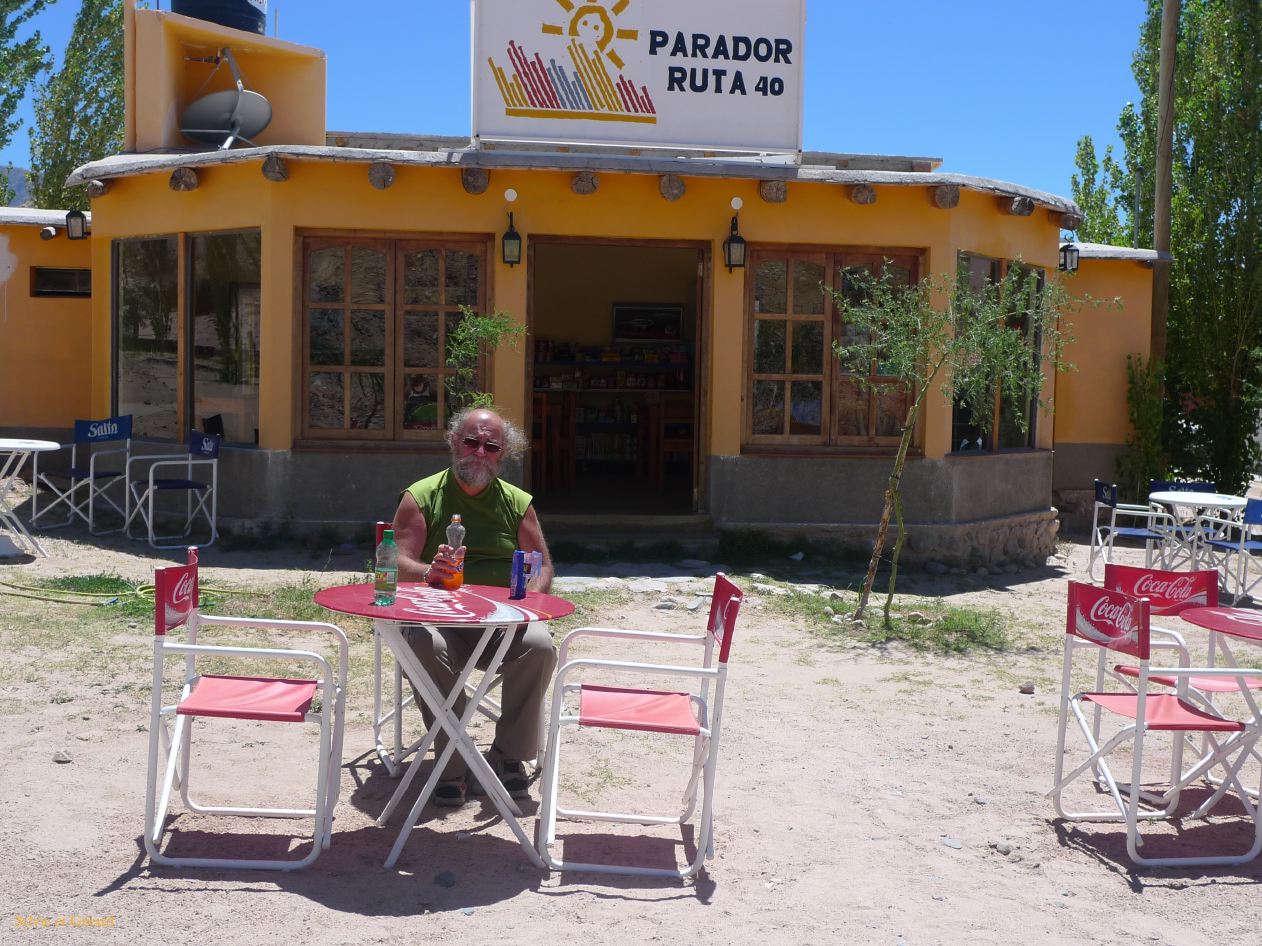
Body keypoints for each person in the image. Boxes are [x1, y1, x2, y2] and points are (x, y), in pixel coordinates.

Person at [391, 406, 555, 807]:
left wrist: (529, 601)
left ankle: (508, 756)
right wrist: (430, 571)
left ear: (503, 454)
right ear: (452, 442)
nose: (480, 452)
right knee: (421, 645)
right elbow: (394, 561)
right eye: (471, 441)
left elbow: (543, 565)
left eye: (491, 446)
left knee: (540, 647)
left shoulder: (517, 503)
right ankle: (453, 760)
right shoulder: (422, 495)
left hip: (502, 624)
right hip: (441, 621)